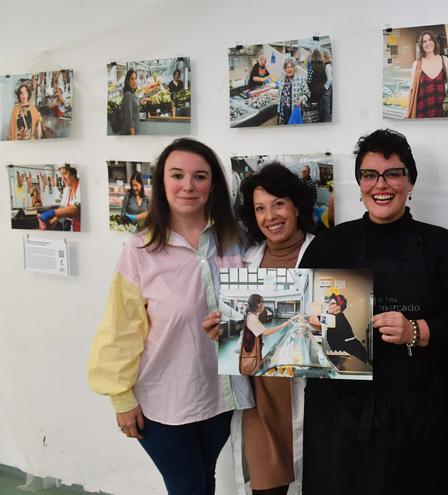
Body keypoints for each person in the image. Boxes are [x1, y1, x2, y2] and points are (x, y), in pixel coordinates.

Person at [298, 128, 448, 495]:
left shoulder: (440, 244)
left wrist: (417, 330)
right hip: (340, 414)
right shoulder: (328, 245)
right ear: (359, 183)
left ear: (410, 181)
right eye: (369, 174)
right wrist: (239, 330)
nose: (382, 184)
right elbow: (299, 321)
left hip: (418, 410)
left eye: (393, 173)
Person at [87, 138, 252, 494]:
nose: (188, 186)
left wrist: (231, 326)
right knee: (189, 486)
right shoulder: (139, 249)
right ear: (161, 182)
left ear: (214, 184)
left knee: (203, 481)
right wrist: (121, 398)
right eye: (177, 175)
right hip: (162, 401)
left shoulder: (234, 239)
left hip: (220, 395)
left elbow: (253, 309)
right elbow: (120, 329)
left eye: (200, 176)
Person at [202, 162, 316, 495]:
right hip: (260, 403)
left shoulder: (324, 252)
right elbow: (242, 329)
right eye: (260, 209)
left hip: (308, 398)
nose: (271, 216)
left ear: (295, 205)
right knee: (265, 488)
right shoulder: (248, 260)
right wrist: (221, 331)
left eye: (278, 203)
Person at [406, 30, 448, 119]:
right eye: (424, 41)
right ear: (421, 45)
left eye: (430, 40)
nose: (428, 43)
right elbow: (411, 90)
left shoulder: (444, 60)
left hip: (441, 111)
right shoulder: (416, 64)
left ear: (434, 42)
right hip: (421, 111)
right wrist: (407, 113)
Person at [309, 294, 369, 363]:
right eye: (329, 303)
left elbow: (313, 320)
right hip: (348, 351)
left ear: (339, 306)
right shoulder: (334, 317)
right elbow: (320, 326)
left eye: (332, 303)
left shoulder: (336, 318)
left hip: (354, 354)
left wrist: (302, 318)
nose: (329, 305)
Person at [38, 164, 80, 232]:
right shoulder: (67, 189)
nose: (62, 178)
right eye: (61, 175)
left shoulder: (80, 186)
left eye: (65, 173)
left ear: (73, 173)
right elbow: (62, 207)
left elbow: (75, 210)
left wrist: (47, 214)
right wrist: (53, 220)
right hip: (75, 228)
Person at [277, 58, 309, 125]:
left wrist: (301, 99)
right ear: (285, 69)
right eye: (287, 67)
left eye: (291, 67)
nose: (289, 69)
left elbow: (307, 94)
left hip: (294, 112)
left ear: (294, 68)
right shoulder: (281, 80)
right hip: (283, 112)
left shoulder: (300, 80)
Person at [119, 69, 147, 136]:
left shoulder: (132, 93)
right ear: (128, 82)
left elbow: (132, 106)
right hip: (129, 133)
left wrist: (140, 101)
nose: (134, 81)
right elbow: (128, 117)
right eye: (132, 79)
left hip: (135, 130)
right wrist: (132, 134)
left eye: (135, 78)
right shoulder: (127, 94)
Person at [307, 49, 328, 122]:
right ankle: (322, 119)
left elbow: (309, 80)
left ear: (313, 56)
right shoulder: (323, 65)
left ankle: (315, 119)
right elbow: (326, 78)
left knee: (314, 107)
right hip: (322, 90)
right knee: (321, 106)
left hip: (313, 90)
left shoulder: (311, 66)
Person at [321, 50, 333, 122]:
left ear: (325, 57)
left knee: (326, 107)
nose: (321, 58)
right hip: (328, 89)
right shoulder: (328, 65)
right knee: (327, 106)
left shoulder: (327, 66)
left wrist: (324, 88)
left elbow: (330, 79)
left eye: (322, 56)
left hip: (327, 89)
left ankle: (327, 121)